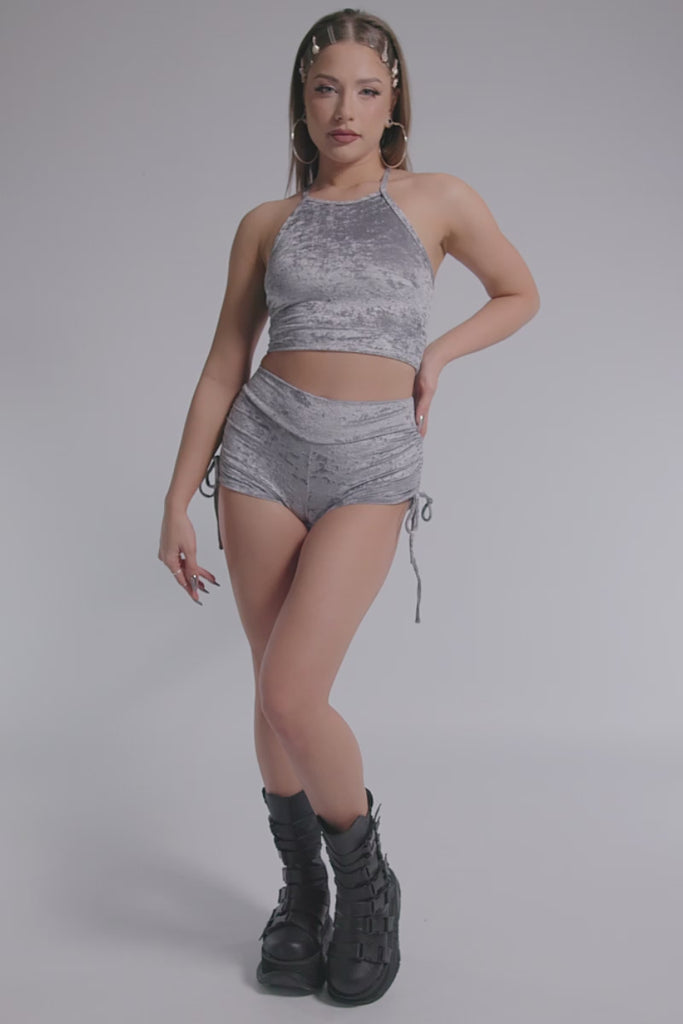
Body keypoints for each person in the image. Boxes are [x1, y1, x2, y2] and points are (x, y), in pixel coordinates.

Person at [158, 8, 540, 1007]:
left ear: (392, 99)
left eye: (366, 89)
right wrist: (176, 499)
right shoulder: (266, 222)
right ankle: (300, 891)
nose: (345, 107)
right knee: (269, 689)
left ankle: (365, 886)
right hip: (261, 453)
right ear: (303, 97)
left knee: (295, 692)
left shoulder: (436, 199)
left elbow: (517, 292)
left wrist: (435, 356)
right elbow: (223, 364)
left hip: (371, 463)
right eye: (326, 87)